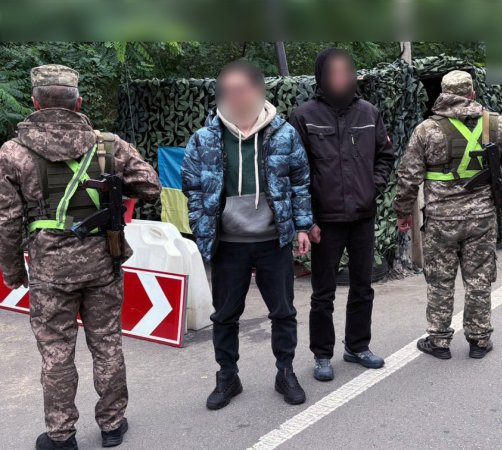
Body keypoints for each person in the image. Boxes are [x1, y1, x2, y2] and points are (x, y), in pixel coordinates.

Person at [0, 65, 161, 450]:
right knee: (107, 344)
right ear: (79, 103)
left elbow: (6, 220)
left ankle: (60, 435)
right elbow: (151, 187)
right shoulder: (109, 145)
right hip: (103, 263)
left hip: (49, 271)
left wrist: (12, 270)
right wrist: (114, 186)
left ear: (35, 103)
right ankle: (112, 425)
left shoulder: (13, 152)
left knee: (56, 352)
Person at [182, 61, 312, 408]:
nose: (236, 96)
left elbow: (300, 182)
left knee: (283, 312)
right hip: (227, 242)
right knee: (224, 315)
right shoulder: (204, 138)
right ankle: (228, 376)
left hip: (273, 239)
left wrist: (302, 226)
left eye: (242, 89)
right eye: (229, 90)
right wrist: (202, 225)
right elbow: (192, 187)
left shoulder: (284, 134)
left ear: (258, 90)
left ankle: (285, 371)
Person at [393, 70, 502, 360]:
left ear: (443, 94)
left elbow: (408, 177)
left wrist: (403, 212)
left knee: (440, 281)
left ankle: (439, 340)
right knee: (479, 279)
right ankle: (479, 340)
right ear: (472, 93)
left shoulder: (426, 130)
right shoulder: (496, 124)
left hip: (440, 220)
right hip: (482, 219)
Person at [289, 48, 395, 381]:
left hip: (362, 217)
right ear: (321, 76)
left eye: (345, 72)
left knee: (363, 287)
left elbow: (385, 155)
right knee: (323, 293)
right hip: (324, 221)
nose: (340, 78)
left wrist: (372, 187)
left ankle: (357, 346)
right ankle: (322, 354)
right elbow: (295, 172)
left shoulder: (369, 113)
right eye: (333, 72)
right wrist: (307, 220)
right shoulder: (303, 117)